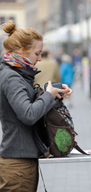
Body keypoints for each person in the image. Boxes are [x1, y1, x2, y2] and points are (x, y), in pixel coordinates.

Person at [0, 20, 73, 191]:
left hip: (21, 162)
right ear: (23, 50)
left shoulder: (17, 73)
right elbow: (28, 114)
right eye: (37, 53)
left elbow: (30, 101)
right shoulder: (12, 77)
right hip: (17, 166)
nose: (40, 59)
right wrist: (49, 95)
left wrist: (56, 90)